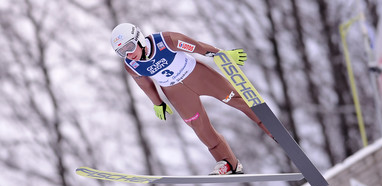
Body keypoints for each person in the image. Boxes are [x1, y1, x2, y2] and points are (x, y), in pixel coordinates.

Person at [110, 23, 273, 175]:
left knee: (237, 99)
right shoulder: (132, 65)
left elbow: (197, 47)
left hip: (198, 76)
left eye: (129, 47)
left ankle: (271, 128)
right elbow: (145, 84)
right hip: (177, 93)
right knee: (200, 127)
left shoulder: (165, 41)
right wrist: (157, 103)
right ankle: (228, 163)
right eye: (122, 52)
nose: (129, 54)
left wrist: (221, 54)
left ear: (139, 39)